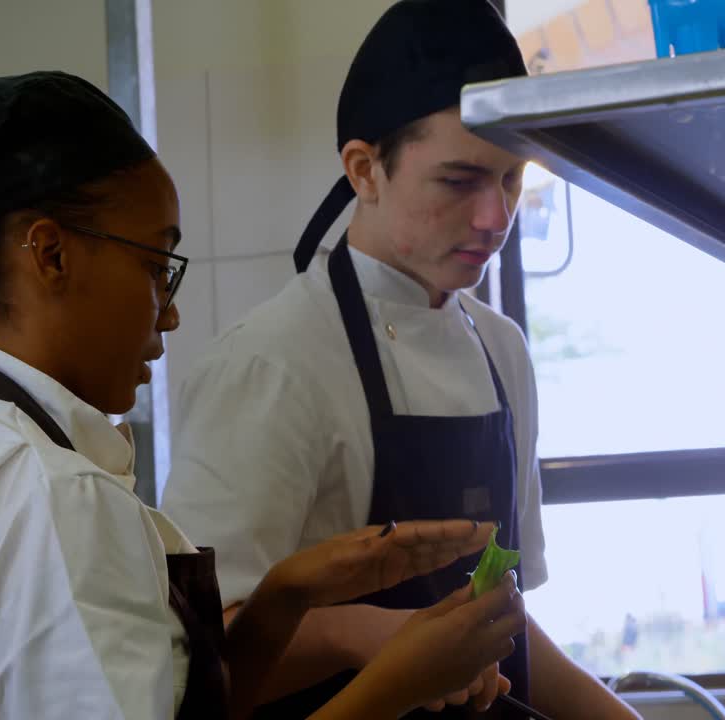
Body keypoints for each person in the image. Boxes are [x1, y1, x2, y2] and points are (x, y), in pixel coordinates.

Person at [0, 71, 529, 720]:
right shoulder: (54, 495)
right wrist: (397, 685)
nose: (170, 316)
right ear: (51, 255)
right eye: (157, 268)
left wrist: (283, 596)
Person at [160, 2, 642, 718]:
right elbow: (197, 661)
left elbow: (496, 612)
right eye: (458, 181)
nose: (494, 217)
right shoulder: (272, 363)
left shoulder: (501, 350)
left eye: (511, 180)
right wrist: (370, 635)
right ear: (364, 170)